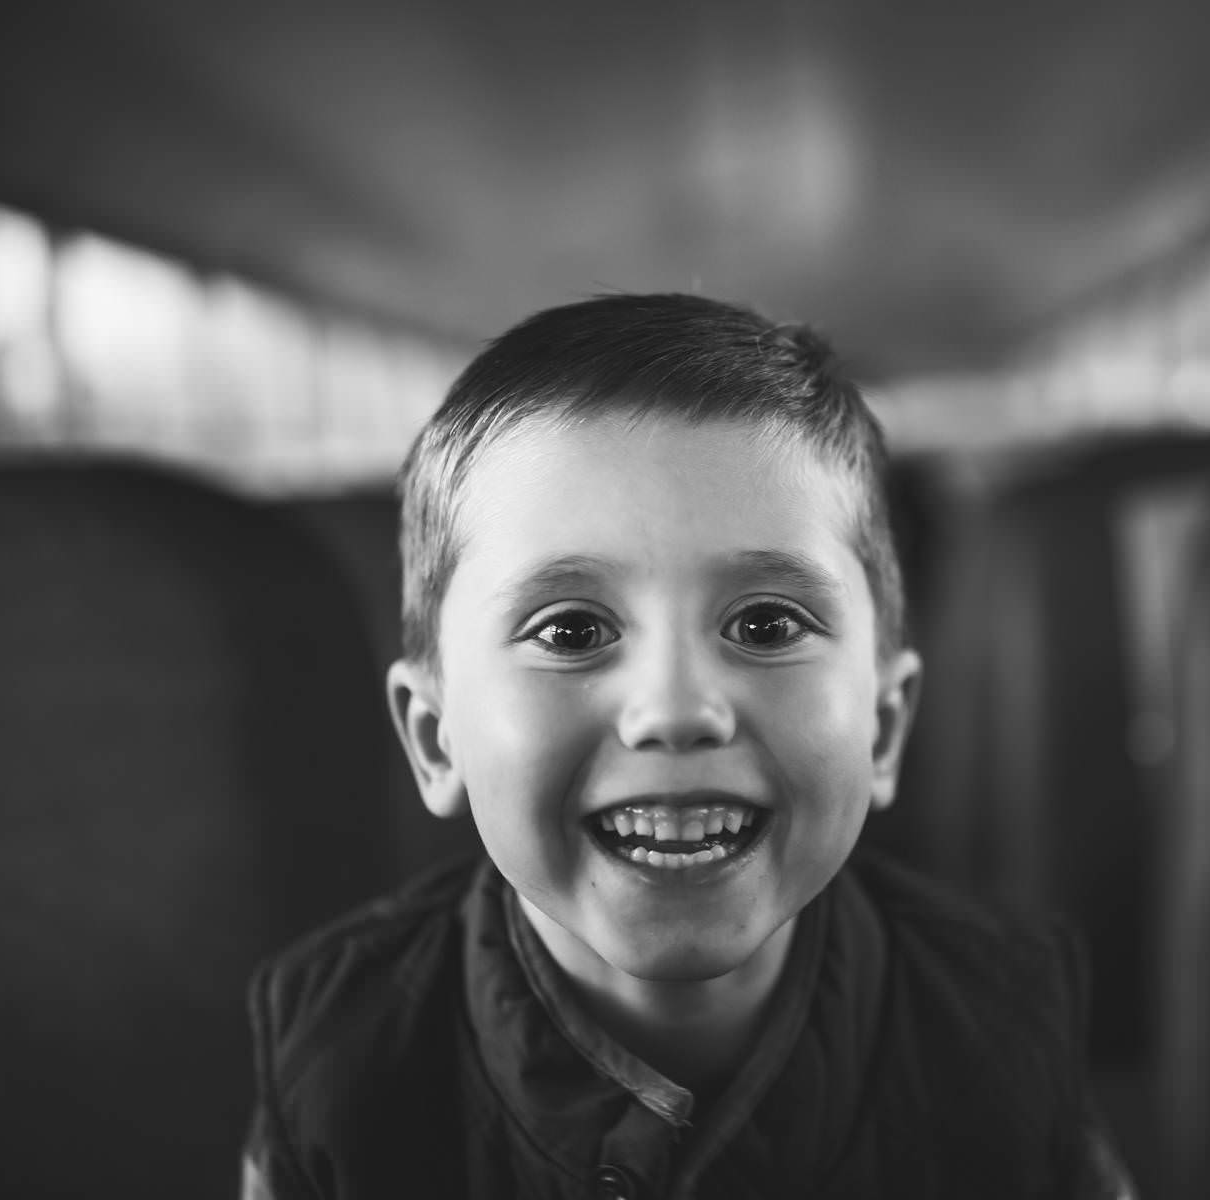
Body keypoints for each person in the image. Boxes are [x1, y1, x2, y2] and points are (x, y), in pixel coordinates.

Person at [241, 293, 1133, 1199]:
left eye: (766, 621)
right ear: (436, 741)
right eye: (570, 632)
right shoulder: (338, 1069)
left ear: (885, 726)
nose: (673, 708)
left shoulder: (1004, 1033)